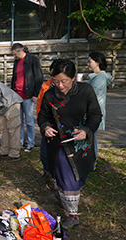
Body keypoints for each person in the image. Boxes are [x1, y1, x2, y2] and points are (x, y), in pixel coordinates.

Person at [37, 60, 102, 230]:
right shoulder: (50, 94)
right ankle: (73, 215)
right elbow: (42, 116)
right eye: (56, 81)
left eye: (64, 81)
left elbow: (96, 114)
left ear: (73, 78)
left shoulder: (86, 91)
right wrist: (46, 127)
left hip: (81, 143)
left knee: (79, 176)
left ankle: (65, 197)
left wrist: (87, 130)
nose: (59, 85)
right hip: (59, 143)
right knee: (68, 178)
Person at [11, 43, 43, 152]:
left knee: (29, 121)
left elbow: (39, 77)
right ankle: (19, 142)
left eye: (15, 54)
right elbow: (14, 77)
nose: (14, 56)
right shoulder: (16, 61)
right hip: (17, 95)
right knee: (18, 121)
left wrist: (35, 93)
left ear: (20, 50)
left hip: (28, 96)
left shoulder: (33, 59)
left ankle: (30, 143)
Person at [36, 59, 64, 182]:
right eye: (52, 75)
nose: (54, 78)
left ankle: (58, 177)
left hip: (62, 126)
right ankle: (47, 172)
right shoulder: (45, 86)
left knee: (59, 155)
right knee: (44, 152)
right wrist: (42, 124)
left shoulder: (68, 88)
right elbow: (39, 106)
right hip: (48, 125)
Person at [87, 51, 113, 167]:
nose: (88, 64)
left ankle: (92, 164)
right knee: (91, 137)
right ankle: (91, 162)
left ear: (97, 62)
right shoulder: (97, 77)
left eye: (89, 61)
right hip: (93, 111)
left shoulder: (100, 77)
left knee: (92, 138)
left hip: (94, 112)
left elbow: (91, 94)